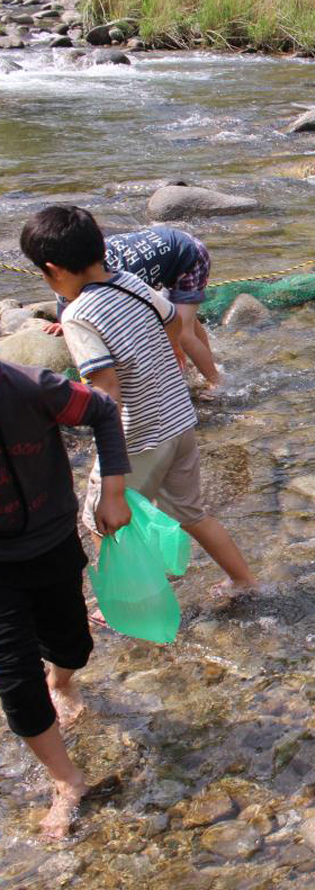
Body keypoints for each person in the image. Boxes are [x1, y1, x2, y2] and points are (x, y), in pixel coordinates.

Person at [19, 206, 254, 600]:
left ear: (52, 270)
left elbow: (107, 392)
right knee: (192, 513)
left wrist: (106, 469)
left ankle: (130, 600)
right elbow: (173, 322)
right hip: (179, 421)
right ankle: (244, 580)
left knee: (101, 522)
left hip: (137, 439)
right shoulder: (133, 282)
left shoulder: (78, 315)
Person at [0, 359, 131, 837]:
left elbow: (103, 410)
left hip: (51, 540)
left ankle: (61, 681)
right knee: (14, 679)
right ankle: (66, 779)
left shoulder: (30, 386)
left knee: (73, 644)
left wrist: (113, 490)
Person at [45, 227, 219, 387]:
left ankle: (216, 383)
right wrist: (63, 322)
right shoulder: (77, 267)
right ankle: (207, 361)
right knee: (187, 321)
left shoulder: (115, 276)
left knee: (183, 333)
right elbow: (65, 299)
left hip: (188, 254)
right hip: (171, 251)